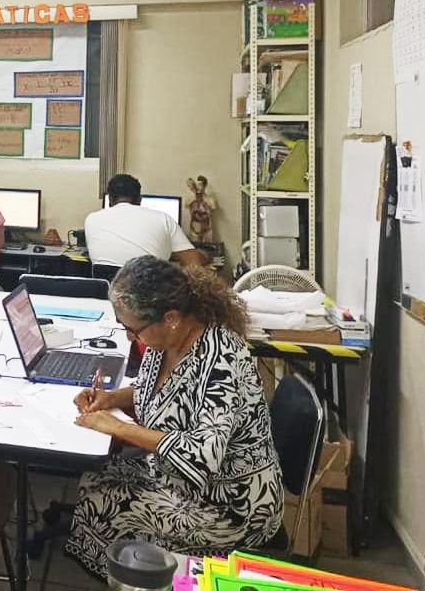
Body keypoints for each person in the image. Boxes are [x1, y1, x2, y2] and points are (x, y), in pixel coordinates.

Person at [65, 256, 283, 578]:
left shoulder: (219, 360)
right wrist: (111, 398)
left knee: (102, 503)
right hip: (177, 477)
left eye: (133, 329)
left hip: (229, 503)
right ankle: (131, 572)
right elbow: (156, 391)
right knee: (95, 477)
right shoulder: (163, 343)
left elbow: (202, 456)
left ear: (170, 318)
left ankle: (141, 576)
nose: (130, 337)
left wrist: (119, 428)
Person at [85, 174, 208, 267]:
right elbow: (195, 261)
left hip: (108, 292)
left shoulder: (91, 219)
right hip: (148, 292)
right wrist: (204, 255)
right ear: (139, 199)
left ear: (110, 200)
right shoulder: (163, 219)